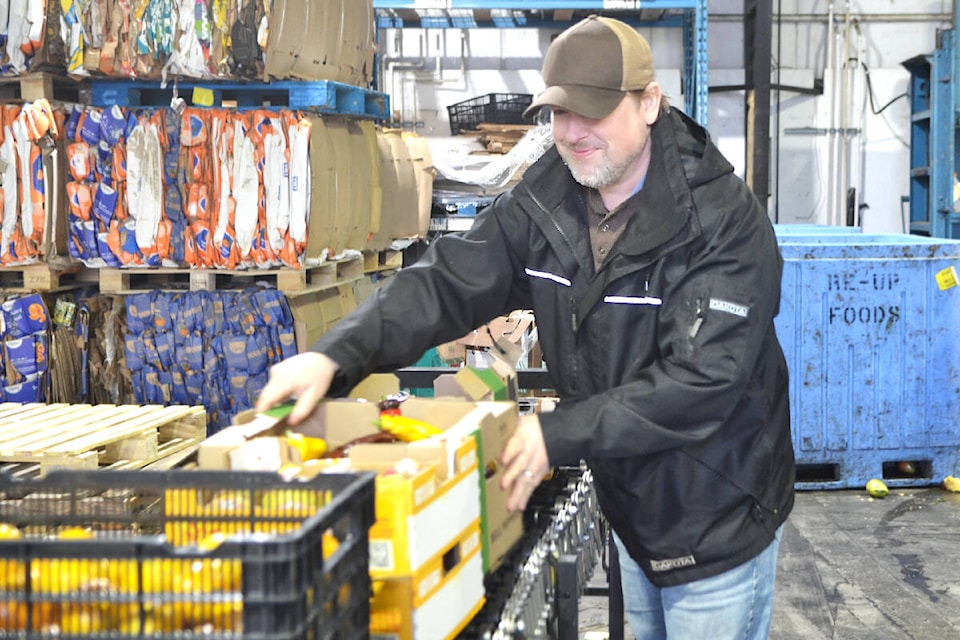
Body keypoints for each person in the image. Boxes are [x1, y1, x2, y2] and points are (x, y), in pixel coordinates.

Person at [256, 14, 794, 640]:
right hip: (632, 503)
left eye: (592, 112)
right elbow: (448, 281)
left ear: (649, 103)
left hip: (715, 512)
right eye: (560, 114)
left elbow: (702, 382)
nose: (572, 133)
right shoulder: (549, 200)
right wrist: (335, 355)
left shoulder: (721, 222)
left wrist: (556, 434)